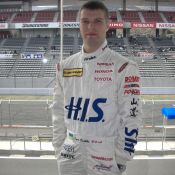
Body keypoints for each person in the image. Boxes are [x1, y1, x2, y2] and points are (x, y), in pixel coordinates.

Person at [52, 1, 142, 175]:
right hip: (69, 153)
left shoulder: (124, 67)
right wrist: (59, 147)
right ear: (79, 25)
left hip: (106, 156)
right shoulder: (64, 66)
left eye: (98, 21)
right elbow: (57, 112)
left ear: (108, 25)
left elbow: (132, 117)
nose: (90, 26)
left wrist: (121, 158)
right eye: (85, 21)